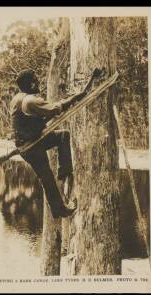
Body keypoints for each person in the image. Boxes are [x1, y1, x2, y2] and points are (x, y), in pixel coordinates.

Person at [10, 68, 101, 218]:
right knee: (46, 177)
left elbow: (33, 120)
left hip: (30, 141)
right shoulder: (30, 101)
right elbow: (56, 108)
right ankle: (60, 210)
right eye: (35, 79)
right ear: (31, 84)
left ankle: (64, 171)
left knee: (63, 136)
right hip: (31, 147)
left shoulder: (18, 98)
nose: (38, 81)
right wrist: (76, 97)